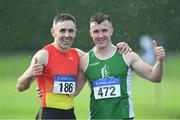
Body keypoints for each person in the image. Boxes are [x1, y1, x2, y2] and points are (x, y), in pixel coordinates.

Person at [16, 13, 131, 119]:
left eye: (71, 31)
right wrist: (29, 74)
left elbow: (101, 56)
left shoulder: (78, 55)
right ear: (53, 32)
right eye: (62, 31)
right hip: (48, 114)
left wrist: (120, 47)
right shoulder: (43, 55)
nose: (67, 35)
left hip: (69, 114)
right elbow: (20, 86)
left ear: (75, 32)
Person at [78, 12, 165, 119]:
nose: (100, 35)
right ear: (90, 33)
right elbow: (73, 91)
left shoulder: (127, 55)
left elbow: (155, 77)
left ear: (111, 31)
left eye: (104, 30)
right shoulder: (85, 60)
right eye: (96, 31)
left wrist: (159, 61)